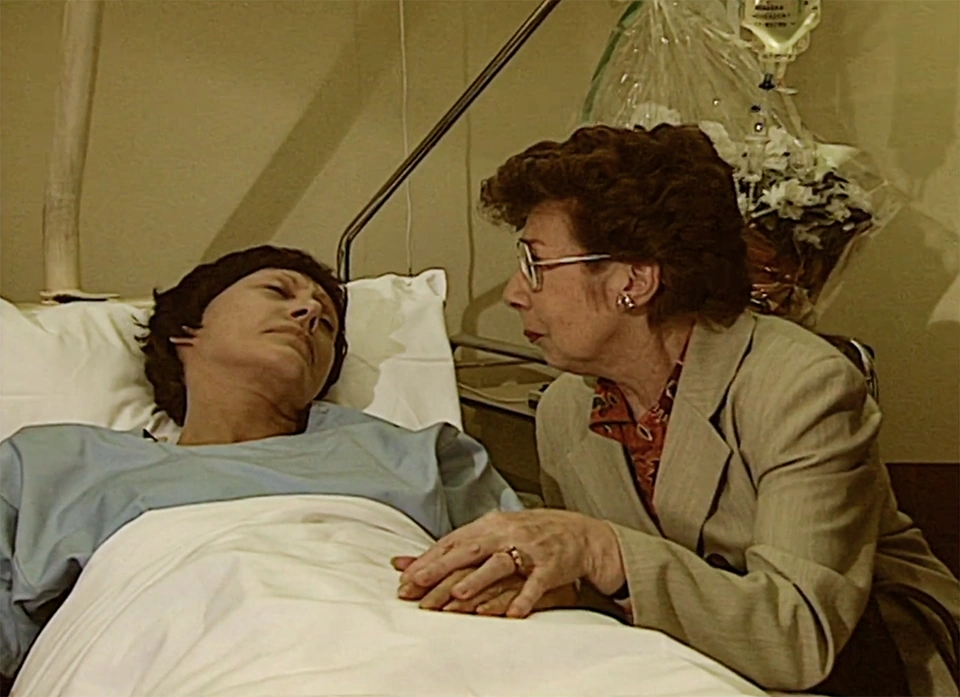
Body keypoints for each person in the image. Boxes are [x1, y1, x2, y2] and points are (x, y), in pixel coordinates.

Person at [394, 125, 960, 697]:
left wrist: (598, 547)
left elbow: (798, 636)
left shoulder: (800, 385)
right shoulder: (566, 409)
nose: (515, 293)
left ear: (634, 280)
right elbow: (628, 589)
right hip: (696, 665)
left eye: (535, 264)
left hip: (873, 665)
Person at [0, 245, 563, 681]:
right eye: (277, 292)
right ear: (185, 330)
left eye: (328, 325)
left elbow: (534, 568)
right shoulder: (55, 464)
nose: (309, 311)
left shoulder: (414, 453)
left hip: (435, 649)